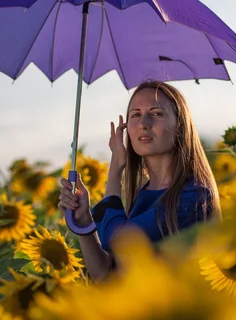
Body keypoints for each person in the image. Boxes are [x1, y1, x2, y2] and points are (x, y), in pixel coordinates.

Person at [58, 80, 221, 282]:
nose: (144, 123)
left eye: (156, 113)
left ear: (180, 125)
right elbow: (108, 278)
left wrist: (116, 168)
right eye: (135, 115)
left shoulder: (194, 196)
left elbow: (116, 241)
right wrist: (84, 222)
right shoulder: (142, 196)